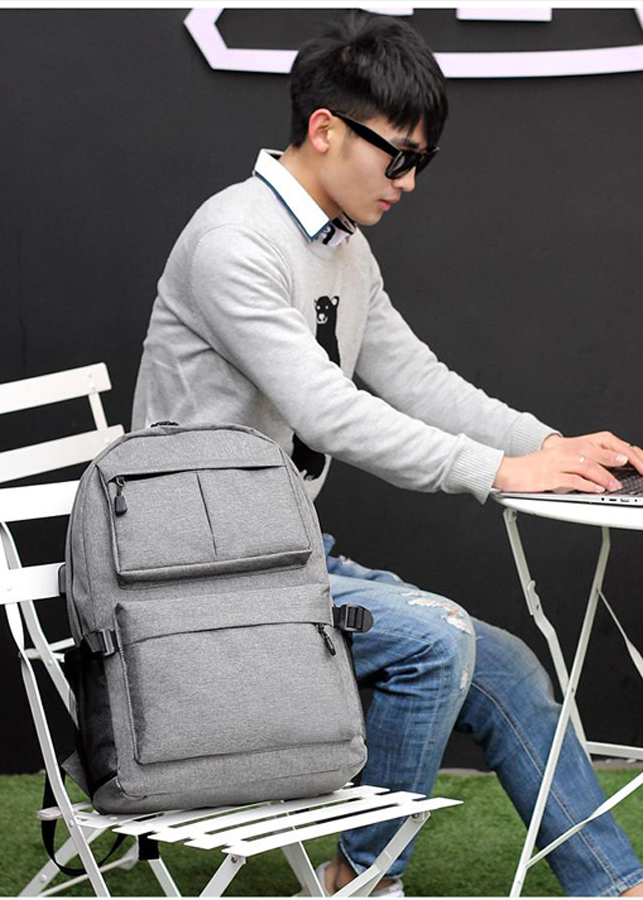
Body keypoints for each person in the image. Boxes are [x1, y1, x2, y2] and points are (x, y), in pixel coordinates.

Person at [131, 11, 643, 897]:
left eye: (421, 162)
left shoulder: (341, 246)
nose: (407, 181)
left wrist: (546, 444)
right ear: (325, 129)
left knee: (506, 667)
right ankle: (360, 881)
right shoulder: (234, 241)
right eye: (396, 155)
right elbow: (326, 411)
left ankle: (613, 884)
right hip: (197, 575)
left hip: (280, 551)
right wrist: (497, 472)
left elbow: (415, 379)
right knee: (434, 641)